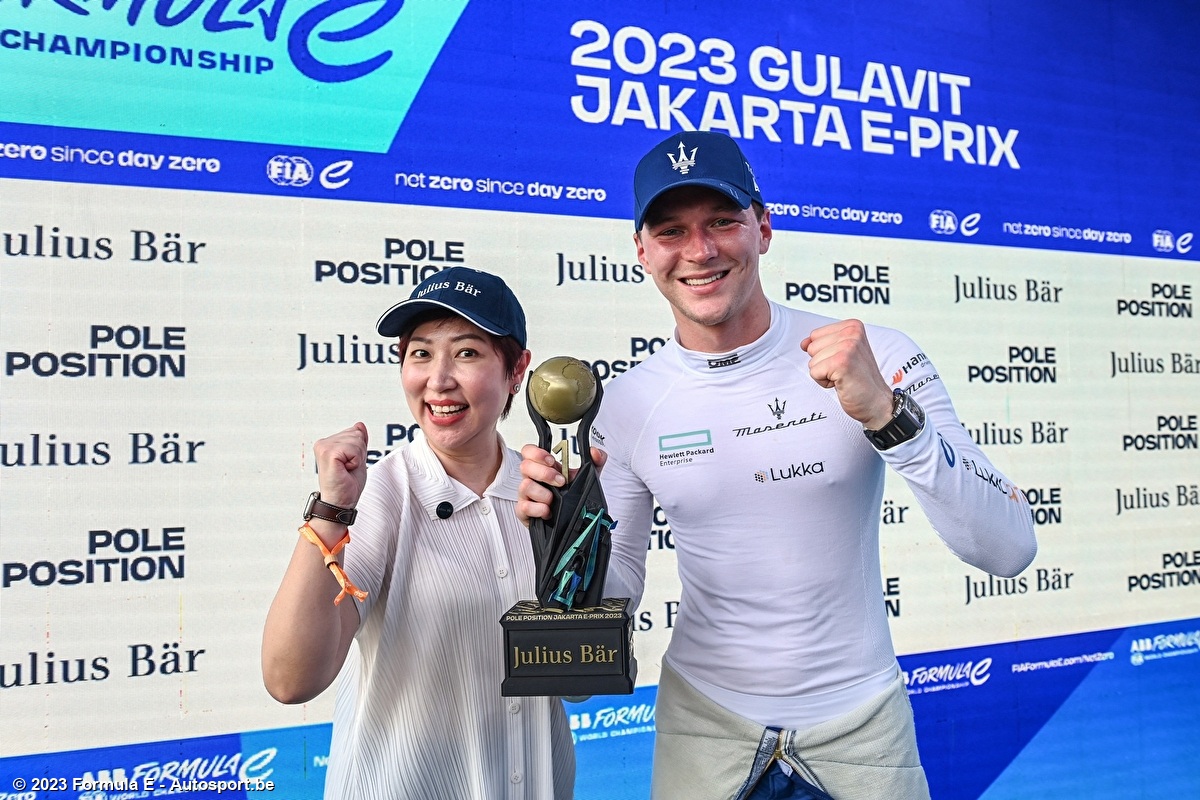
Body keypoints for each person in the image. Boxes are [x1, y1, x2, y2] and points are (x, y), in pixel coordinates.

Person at [518, 132, 1037, 800]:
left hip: (863, 730)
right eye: (671, 230)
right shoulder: (625, 405)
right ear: (642, 251)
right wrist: (569, 538)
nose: (699, 251)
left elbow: (1008, 549)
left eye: (722, 221)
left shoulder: (877, 356)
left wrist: (888, 416)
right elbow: (606, 615)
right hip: (705, 733)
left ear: (762, 228)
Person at [263, 267, 575, 800]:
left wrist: (582, 531)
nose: (439, 379)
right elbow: (290, 680)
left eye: (468, 353)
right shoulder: (380, 494)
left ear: (517, 370)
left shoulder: (546, 491)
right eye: (420, 353)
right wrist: (331, 509)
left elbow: (579, 679)